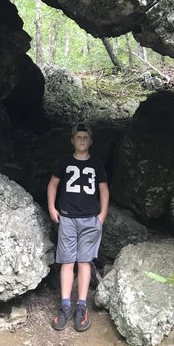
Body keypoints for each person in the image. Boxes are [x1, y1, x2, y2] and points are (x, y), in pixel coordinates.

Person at [47, 121, 109, 332]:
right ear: (72, 140)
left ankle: (81, 305)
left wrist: (102, 215)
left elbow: (104, 189)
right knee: (66, 261)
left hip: (90, 219)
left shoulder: (97, 163)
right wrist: (52, 208)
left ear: (90, 141)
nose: (82, 140)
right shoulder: (63, 161)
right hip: (68, 218)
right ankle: (65, 305)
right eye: (78, 137)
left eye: (85, 137)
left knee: (84, 262)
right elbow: (53, 184)